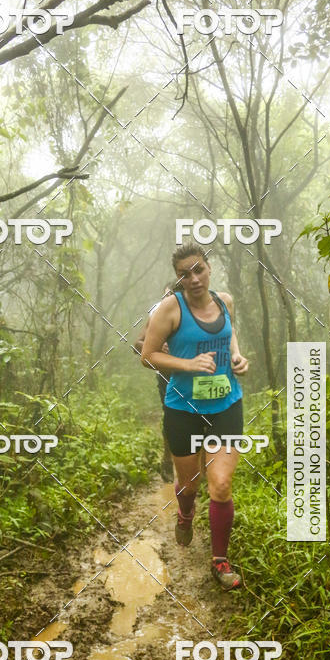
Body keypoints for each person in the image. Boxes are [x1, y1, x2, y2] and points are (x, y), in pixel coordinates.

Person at [140, 243, 249, 590]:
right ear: (178, 278)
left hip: (226, 405)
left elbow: (230, 336)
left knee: (220, 485)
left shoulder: (225, 301)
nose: (194, 278)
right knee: (190, 484)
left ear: (208, 267)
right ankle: (185, 513)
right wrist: (187, 365)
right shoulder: (170, 309)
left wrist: (237, 358)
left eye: (198, 269)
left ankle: (220, 560)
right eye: (185, 274)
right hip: (183, 409)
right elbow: (147, 354)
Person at [133, 282, 179, 482]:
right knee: (171, 416)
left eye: (172, 295)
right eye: (165, 296)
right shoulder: (157, 313)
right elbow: (137, 344)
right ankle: (167, 459)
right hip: (166, 374)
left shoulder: (195, 314)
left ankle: (199, 469)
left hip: (195, 375)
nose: (167, 300)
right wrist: (158, 346)